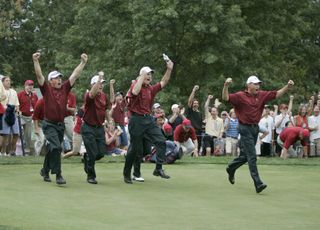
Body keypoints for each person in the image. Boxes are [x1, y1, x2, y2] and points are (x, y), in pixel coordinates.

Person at [222, 75, 294, 193]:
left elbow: (276, 94)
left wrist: (287, 87)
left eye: (258, 84)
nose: (257, 86)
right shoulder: (240, 96)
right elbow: (225, 97)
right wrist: (226, 86)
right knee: (252, 156)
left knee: (246, 156)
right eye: (255, 84)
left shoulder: (261, 95)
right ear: (248, 85)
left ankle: (231, 167)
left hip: (255, 129)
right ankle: (258, 183)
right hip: (244, 128)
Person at [33, 52, 88, 185]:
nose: (59, 80)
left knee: (53, 148)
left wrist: (83, 63)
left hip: (60, 125)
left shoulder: (65, 88)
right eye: (56, 78)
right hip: (48, 124)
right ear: (50, 81)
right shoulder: (46, 89)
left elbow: (75, 75)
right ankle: (58, 175)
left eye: (60, 78)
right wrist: (35, 61)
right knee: (57, 148)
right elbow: (39, 76)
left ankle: (45, 170)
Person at [123, 56, 174, 184]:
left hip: (148, 120)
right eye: (147, 74)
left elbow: (164, 82)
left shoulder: (150, 88)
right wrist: (140, 77)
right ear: (141, 76)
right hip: (136, 120)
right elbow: (134, 92)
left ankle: (158, 168)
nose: (150, 76)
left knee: (161, 141)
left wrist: (169, 69)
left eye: (151, 74)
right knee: (134, 149)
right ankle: (127, 173)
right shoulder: (135, 84)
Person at [81, 72, 109, 184]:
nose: (101, 85)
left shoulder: (103, 96)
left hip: (99, 128)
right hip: (88, 127)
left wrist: (110, 120)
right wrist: (100, 78)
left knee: (101, 153)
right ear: (93, 85)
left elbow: (106, 109)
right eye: (98, 83)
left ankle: (87, 157)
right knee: (93, 154)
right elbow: (92, 94)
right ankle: (91, 176)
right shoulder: (89, 95)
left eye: (102, 84)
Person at [0, 76, 20, 156]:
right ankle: (3, 152)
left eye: (9, 80)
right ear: (2, 82)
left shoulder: (14, 91)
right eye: (6, 81)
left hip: (13, 113)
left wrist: (18, 110)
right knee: (5, 134)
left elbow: (17, 104)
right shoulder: (1, 92)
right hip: (4, 113)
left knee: (16, 133)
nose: (8, 82)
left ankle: (12, 152)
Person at [17, 80, 38, 155]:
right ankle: (15, 150)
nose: (30, 86)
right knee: (18, 133)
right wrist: (18, 110)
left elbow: (36, 106)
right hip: (21, 116)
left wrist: (35, 114)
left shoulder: (34, 95)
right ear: (25, 86)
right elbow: (16, 104)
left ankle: (27, 150)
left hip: (30, 117)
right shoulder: (20, 94)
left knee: (28, 135)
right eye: (29, 85)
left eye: (32, 85)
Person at [109, 80, 129, 150]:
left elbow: (128, 94)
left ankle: (121, 154)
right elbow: (111, 95)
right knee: (117, 144)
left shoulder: (123, 104)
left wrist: (133, 84)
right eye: (118, 96)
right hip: (115, 126)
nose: (120, 97)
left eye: (121, 95)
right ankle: (117, 152)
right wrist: (111, 85)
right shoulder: (113, 103)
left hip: (122, 126)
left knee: (125, 144)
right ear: (115, 98)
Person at [186, 85, 203, 153]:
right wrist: (193, 90)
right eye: (194, 103)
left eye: (197, 103)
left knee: (197, 149)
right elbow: (190, 101)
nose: (195, 104)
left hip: (199, 133)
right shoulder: (190, 111)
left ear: (198, 105)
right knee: (191, 150)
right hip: (191, 132)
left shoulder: (200, 113)